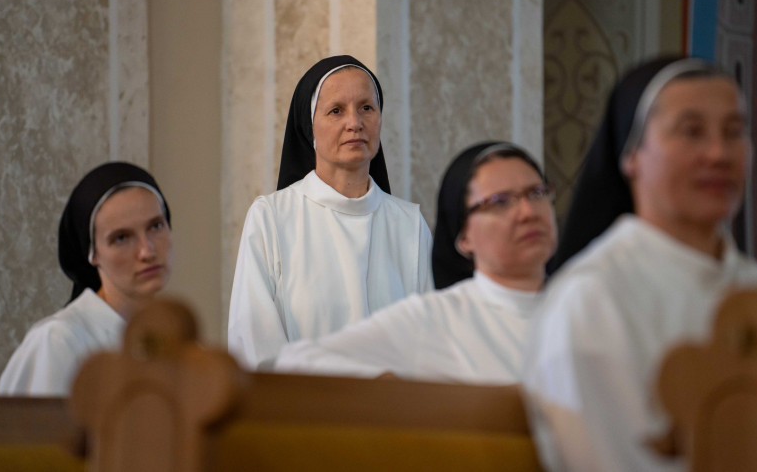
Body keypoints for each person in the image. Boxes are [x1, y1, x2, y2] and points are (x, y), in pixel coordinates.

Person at [522, 57, 757, 472]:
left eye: (734, 131)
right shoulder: (591, 300)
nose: (718, 153)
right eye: (691, 131)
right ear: (631, 155)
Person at [272, 142, 557, 385]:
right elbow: (297, 362)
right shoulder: (436, 320)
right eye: (500, 201)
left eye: (536, 193)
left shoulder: (579, 304)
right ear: (464, 236)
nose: (528, 212)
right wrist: (403, 398)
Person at [228, 55, 433, 369]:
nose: (355, 123)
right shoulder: (271, 218)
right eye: (336, 110)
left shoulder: (410, 225)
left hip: (394, 401)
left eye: (366, 107)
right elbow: (255, 347)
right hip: (302, 401)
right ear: (309, 126)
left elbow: (431, 343)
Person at [0, 162, 173, 396]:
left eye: (156, 226)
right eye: (121, 238)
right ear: (92, 254)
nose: (147, 251)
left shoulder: (176, 341)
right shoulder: (58, 342)